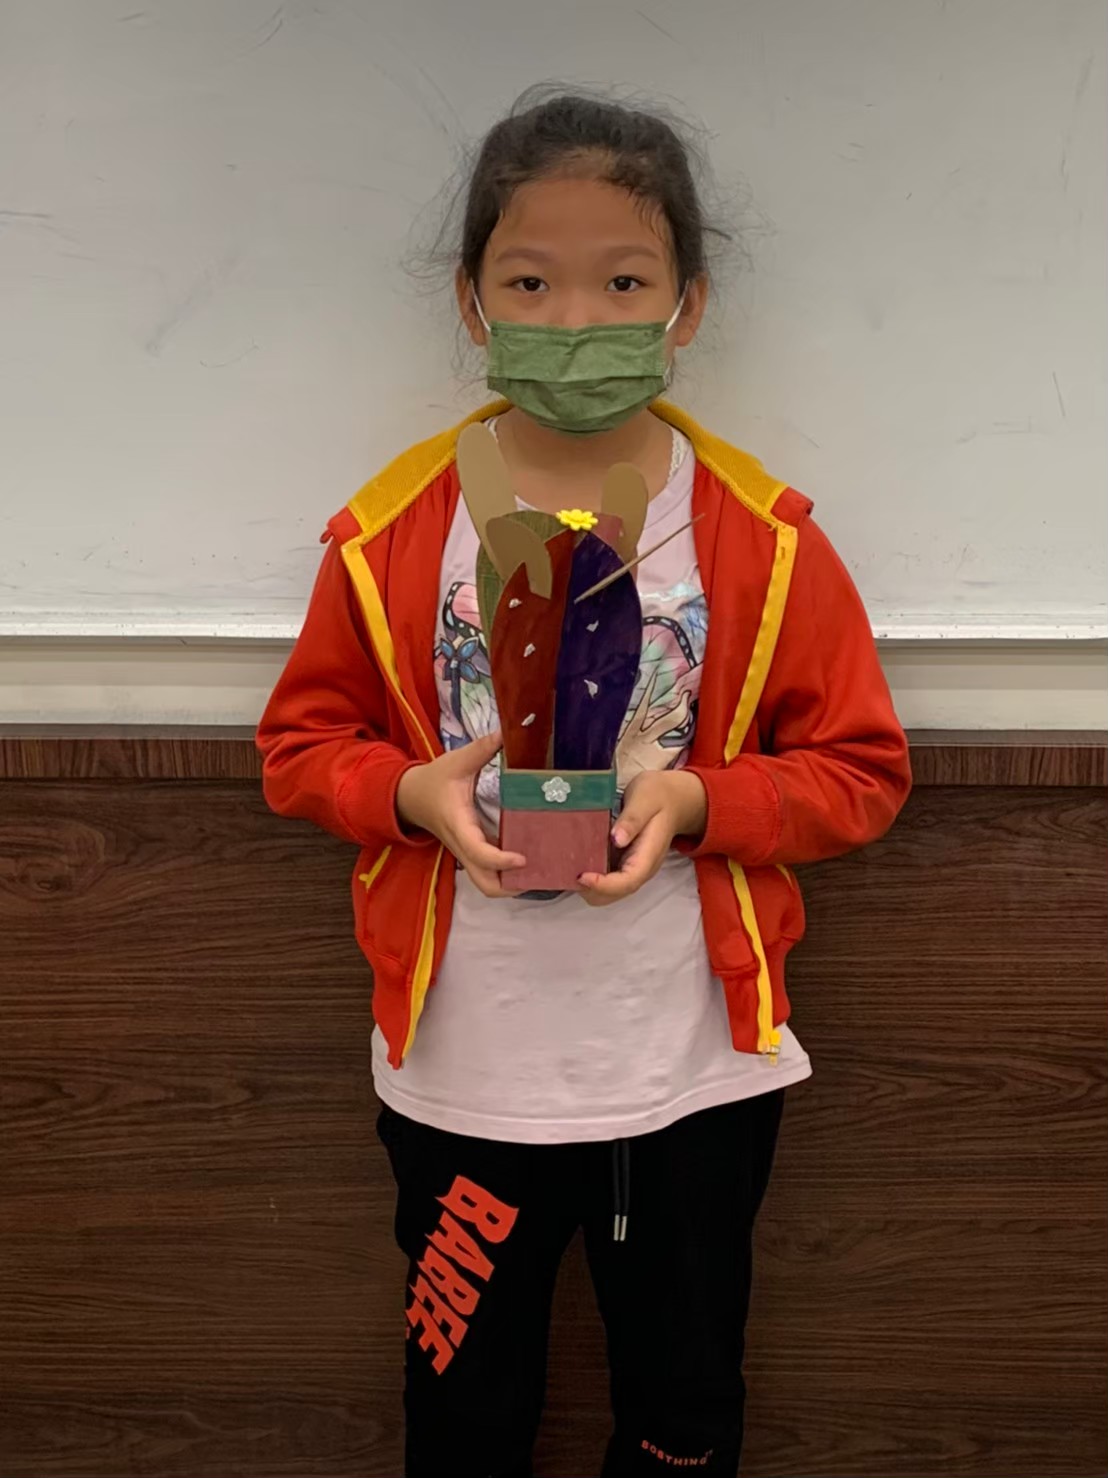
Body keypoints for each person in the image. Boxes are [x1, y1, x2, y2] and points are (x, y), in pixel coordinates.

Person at [257, 88, 911, 1478]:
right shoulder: (387, 537)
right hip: (466, 1076)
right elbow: (299, 745)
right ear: (471, 300)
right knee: (465, 1417)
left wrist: (702, 805)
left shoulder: (767, 539)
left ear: (687, 304)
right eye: (528, 282)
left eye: (622, 282)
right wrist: (412, 796)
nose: (573, 319)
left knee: (684, 1413)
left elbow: (859, 770)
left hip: (693, 1076)